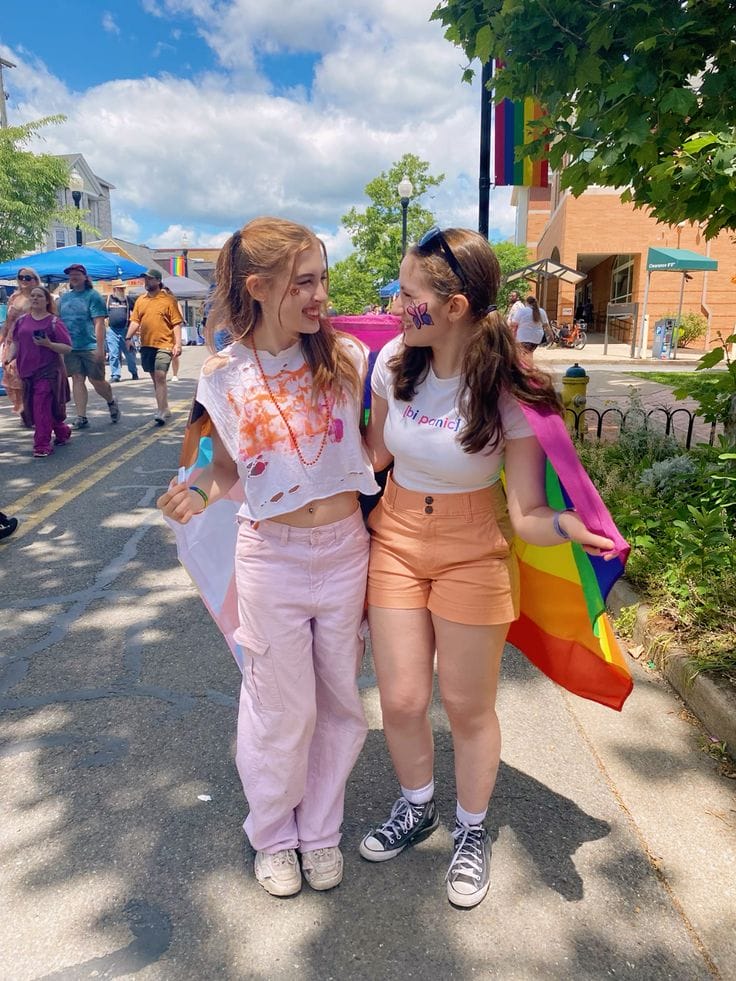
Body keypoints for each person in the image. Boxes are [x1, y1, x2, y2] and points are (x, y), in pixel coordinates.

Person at [359, 227, 614, 909]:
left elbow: (528, 510)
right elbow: (372, 459)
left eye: (408, 295)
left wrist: (570, 528)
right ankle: (419, 806)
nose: (396, 306)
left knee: (468, 706)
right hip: (398, 537)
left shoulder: (509, 388)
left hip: (476, 546)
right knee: (403, 699)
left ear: (454, 305)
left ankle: (472, 828)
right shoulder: (392, 362)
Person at [157, 217, 379, 898]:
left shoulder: (348, 358)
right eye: (304, 282)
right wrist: (191, 493)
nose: (321, 295)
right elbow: (215, 467)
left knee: (340, 702)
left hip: (346, 552)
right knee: (280, 707)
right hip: (271, 557)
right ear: (259, 287)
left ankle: (319, 830)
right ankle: (273, 834)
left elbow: (383, 438)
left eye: (323, 279)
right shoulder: (221, 375)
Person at [4, 286, 72, 457]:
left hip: (48, 372)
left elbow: (67, 348)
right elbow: (16, 343)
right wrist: (7, 359)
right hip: (27, 372)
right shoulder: (21, 321)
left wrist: (49, 345)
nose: (35, 299)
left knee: (40, 407)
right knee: (38, 409)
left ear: (47, 300)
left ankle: (41, 445)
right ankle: (62, 431)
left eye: (39, 296)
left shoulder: (54, 322)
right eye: (32, 296)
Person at [58, 264, 120, 429]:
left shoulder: (93, 296)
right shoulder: (64, 298)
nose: (73, 277)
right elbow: (58, 322)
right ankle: (81, 417)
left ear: (85, 277)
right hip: (71, 347)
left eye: (77, 274)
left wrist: (100, 348)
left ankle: (111, 401)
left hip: (90, 346)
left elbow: (99, 323)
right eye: (71, 274)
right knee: (77, 379)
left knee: (96, 381)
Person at [126, 269, 183, 425]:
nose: (147, 282)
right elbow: (135, 321)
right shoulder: (140, 300)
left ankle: (161, 411)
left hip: (164, 343)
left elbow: (176, 323)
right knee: (155, 378)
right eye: (145, 279)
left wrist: (178, 344)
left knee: (160, 376)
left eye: (150, 279)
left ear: (158, 281)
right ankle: (165, 406)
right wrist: (128, 337)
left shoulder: (168, 300)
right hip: (147, 344)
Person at [1, 267, 46, 414]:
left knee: (28, 378)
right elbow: (7, 322)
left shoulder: (40, 297)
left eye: (28, 278)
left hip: (30, 344)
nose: (24, 280)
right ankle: (24, 410)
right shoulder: (14, 298)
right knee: (13, 378)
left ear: (35, 279)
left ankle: (32, 410)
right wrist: (1, 339)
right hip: (11, 342)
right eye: (21, 277)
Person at [106, 286, 139, 382]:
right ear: (114, 290)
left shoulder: (128, 300)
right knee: (113, 354)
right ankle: (115, 375)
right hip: (112, 331)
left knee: (129, 354)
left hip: (126, 331)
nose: (121, 291)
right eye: (119, 289)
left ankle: (134, 372)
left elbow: (137, 310)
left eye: (122, 289)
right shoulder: (109, 299)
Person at [510, 294, 549, 360]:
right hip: (537, 338)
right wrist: (551, 336)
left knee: (524, 355)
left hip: (523, 337)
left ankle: (527, 367)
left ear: (526, 302)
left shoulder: (522, 311)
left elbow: (513, 324)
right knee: (529, 353)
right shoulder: (541, 311)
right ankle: (529, 366)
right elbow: (546, 325)